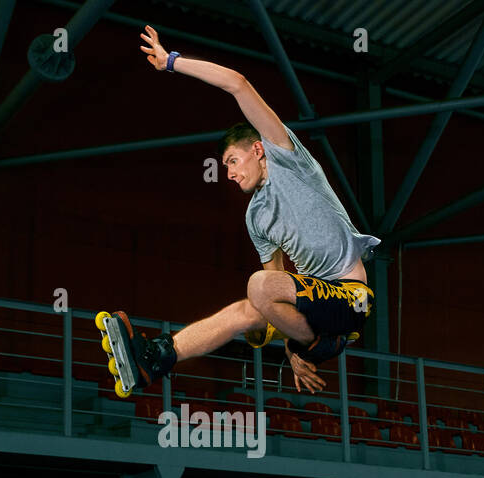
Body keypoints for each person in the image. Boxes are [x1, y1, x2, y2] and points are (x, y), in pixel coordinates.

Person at [107, 25, 380, 395]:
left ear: (258, 149)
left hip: (353, 299)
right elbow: (277, 291)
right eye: (224, 168)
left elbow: (237, 83)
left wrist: (171, 62)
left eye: (233, 161)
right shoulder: (257, 217)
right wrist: (288, 344)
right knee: (247, 309)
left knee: (258, 286)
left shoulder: (290, 160)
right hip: (316, 305)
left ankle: (325, 343)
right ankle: (156, 357)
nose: (230, 174)